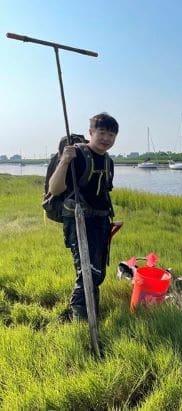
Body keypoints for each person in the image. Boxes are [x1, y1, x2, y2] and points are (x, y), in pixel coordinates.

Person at [48, 112, 119, 320]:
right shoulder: (77, 154)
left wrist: (108, 216)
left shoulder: (108, 162)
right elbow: (55, 189)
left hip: (100, 221)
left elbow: (102, 193)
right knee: (87, 272)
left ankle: (92, 313)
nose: (106, 138)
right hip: (79, 220)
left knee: (97, 272)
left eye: (111, 135)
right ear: (91, 132)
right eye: (102, 132)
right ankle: (81, 320)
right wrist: (64, 161)